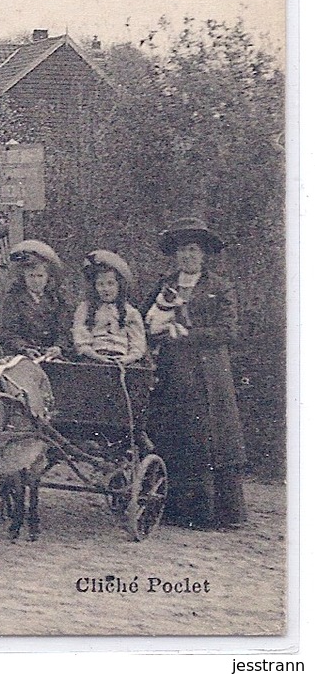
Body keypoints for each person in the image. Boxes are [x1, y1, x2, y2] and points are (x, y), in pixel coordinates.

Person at [143, 217, 248, 529]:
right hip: (172, 372)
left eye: (192, 250)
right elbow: (144, 319)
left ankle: (214, 515)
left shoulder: (219, 287)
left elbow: (228, 331)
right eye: (181, 251)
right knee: (174, 435)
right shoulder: (165, 285)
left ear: (203, 254)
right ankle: (174, 510)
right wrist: (159, 333)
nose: (186, 256)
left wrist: (188, 335)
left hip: (208, 375)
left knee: (209, 437)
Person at [0, 242, 73, 356]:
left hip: (52, 354)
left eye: (40, 276)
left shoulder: (56, 299)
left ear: (48, 277)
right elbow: (7, 332)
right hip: (22, 354)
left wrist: (58, 347)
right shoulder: (12, 299)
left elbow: (65, 329)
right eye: (31, 276)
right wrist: (24, 348)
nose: (36, 281)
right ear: (23, 277)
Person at [71, 250, 148, 365]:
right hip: (93, 360)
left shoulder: (131, 312)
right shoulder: (85, 309)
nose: (105, 289)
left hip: (123, 361)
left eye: (110, 283)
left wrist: (128, 358)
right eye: (100, 284)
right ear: (95, 287)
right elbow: (80, 339)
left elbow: (138, 344)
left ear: (119, 285)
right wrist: (95, 356)